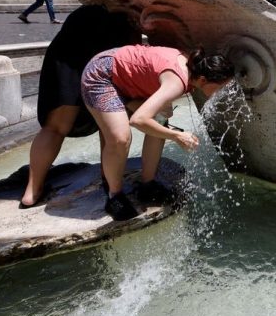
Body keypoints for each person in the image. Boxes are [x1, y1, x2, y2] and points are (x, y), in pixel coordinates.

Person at [81, 45, 235, 220]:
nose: (222, 92)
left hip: (123, 78)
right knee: (120, 138)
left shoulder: (194, 68)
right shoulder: (178, 82)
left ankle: (147, 184)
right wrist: (176, 135)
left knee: (161, 117)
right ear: (202, 80)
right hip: (101, 75)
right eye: (220, 87)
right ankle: (114, 196)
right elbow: (138, 120)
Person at [19, 5, 141, 208]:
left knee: (56, 127)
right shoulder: (128, 13)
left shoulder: (94, 0)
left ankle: (32, 190)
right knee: (111, 122)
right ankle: (110, 180)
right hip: (115, 38)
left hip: (75, 37)